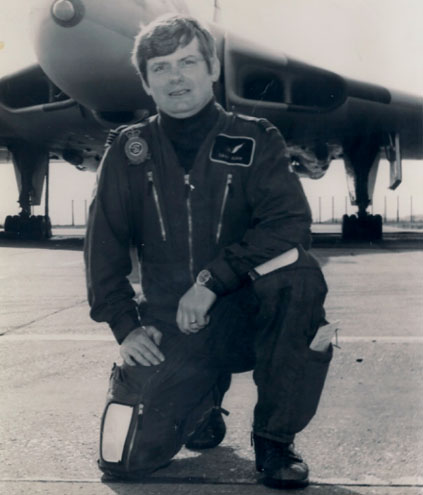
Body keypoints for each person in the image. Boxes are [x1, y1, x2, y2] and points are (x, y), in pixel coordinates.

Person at [84, 13, 333, 490]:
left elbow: (289, 224)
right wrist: (125, 326)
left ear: (213, 69)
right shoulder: (128, 150)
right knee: (124, 461)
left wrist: (213, 281)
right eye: (160, 68)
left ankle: (274, 442)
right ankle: (200, 402)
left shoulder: (257, 138)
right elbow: (103, 248)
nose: (176, 77)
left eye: (188, 62)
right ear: (147, 82)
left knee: (298, 275)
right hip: (172, 324)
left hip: (247, 310)